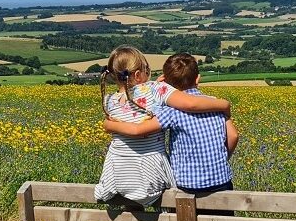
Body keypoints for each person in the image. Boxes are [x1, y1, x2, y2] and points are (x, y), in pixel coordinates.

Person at [94, 46, 231, 207]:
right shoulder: (156, 90)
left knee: (133, 212)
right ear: (138, 75)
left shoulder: (109, 101)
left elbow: (135, 98)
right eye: (147, 69)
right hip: (149, 172)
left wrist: (108, 125)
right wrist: (224, 104)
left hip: (117, 173)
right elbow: (190, 104)